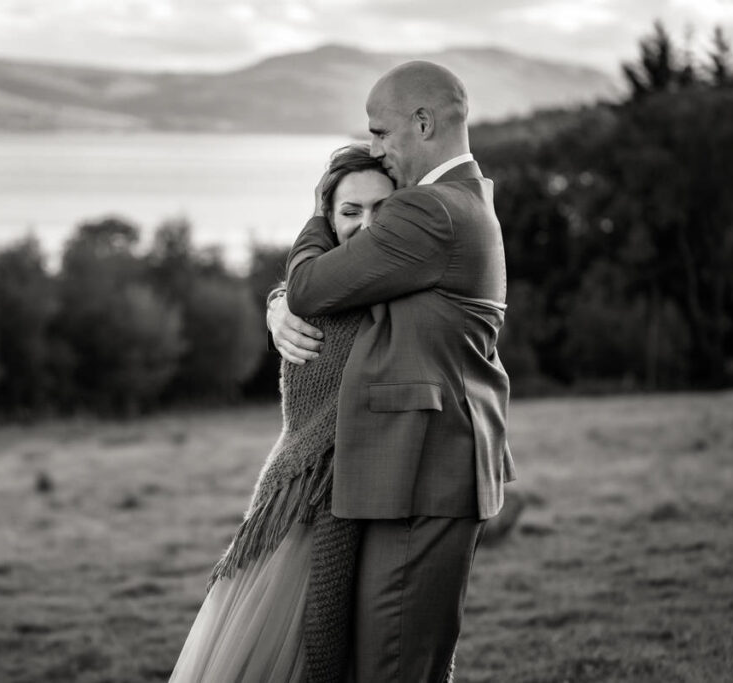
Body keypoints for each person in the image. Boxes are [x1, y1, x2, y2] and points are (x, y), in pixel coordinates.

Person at [268, 60, 516, 682]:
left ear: (423, 123)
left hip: (422, 473)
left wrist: (321, 211)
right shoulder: (461, 200)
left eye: (380, 133)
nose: (375, 148)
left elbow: (312, 286)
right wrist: (278, 309)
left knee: (396, 669)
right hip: (418, 470)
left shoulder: (431, 211)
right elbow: (347, 306)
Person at [169, 144, 395, 683]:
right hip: (299, 500)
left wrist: (280, 299)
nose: (366, 226)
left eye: (383, 210)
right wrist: (279, 303)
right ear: (328, 216)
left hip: (365, 498)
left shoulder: (399, 283)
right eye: (351, 211)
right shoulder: (316, 289)